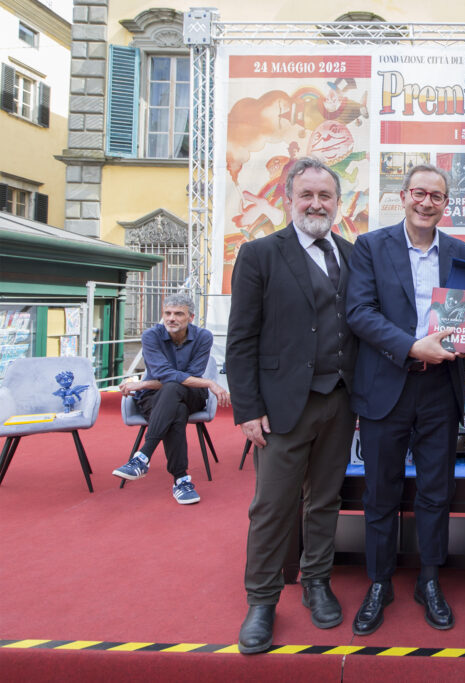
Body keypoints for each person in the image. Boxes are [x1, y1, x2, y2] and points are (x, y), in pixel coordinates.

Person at [226, 157, 358, 654]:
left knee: (324, 501)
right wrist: (246, 408)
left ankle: (317, 582)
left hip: (341, 402)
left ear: (337, 203)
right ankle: (261, 601)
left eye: (325, 196)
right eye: (307, 195)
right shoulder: (260, 254)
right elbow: (241, 339)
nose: (316, 204)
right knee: (271, 507)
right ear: (289, 198)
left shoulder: (349, 253)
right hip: (281, 407)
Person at [346, 164, 465, 636]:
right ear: (402, 196)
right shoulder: (370, 246)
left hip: (441, 388)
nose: (426, 202)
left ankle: (429, 578)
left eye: (436, 196)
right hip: (386, 384)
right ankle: (379, 582)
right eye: (418, 193)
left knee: (435, 491)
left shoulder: (462, 253)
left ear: (446, 203)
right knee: (380, 492)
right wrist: (409, 345)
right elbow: (359, 311)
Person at [113, 292, 230, 505]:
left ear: (191, 317)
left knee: (175, 388)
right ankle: (181, 480)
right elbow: (166, 375)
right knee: (176, 409)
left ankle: (143, 457)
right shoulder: (151, 335)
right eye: (167, 313)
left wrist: (144, 383)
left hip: (192, 396)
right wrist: (209, 382)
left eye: (178, 314)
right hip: (156, 399)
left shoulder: (203, 336)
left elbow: (185, 377)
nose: (171, 318)